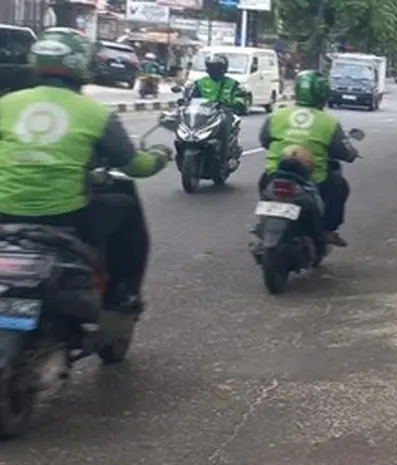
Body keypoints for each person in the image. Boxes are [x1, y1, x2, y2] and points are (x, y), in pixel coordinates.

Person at [0, 30, 170, 311]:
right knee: (126, 210)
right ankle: (122, 293)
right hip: (65, 215)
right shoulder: (95, 113)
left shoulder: (6, 104)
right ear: (84, 64)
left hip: (3, 211)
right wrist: (160, 155)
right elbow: (136, 166)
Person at [258, 70, 358, 247]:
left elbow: (264, 140)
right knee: (338, 185)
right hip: (312, 179)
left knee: (264, 185)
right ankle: (328, 230)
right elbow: (343, 151)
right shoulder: (329, 123)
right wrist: (351, 154)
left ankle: (264, 221)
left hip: (274, 174)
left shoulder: (276, 116)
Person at [187, 55, 247, 158]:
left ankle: (225, 155)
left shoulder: (232, 83)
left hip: (224, 114)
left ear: (224, 69)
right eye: (211, 68)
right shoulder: (200, 82)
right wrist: (184, 101)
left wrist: (236, 103)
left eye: (217, 68)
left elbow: (240, 97)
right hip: (204, 114)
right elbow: (191, 97)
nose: (214, 71)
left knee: (225, 129)